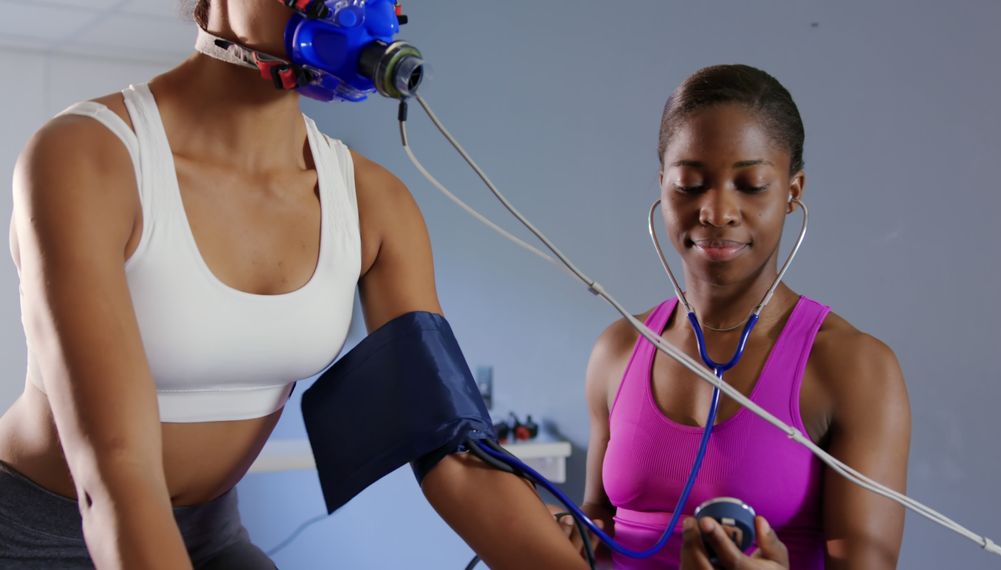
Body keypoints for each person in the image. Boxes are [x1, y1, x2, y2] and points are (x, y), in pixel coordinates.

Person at [0, 1, 587, 568]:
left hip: (211, 538)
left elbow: (451, 452)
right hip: (36, 533)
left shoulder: (373, 204)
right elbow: (115, 478)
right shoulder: (87, 156)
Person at [564, 64, 912, 569]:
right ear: (662, 186)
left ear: (793, 193)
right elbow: (598, 523)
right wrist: (571, 530)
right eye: (689, 184)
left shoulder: (855, 368)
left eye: (750, 185)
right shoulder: (616, 350)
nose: (717, 210)